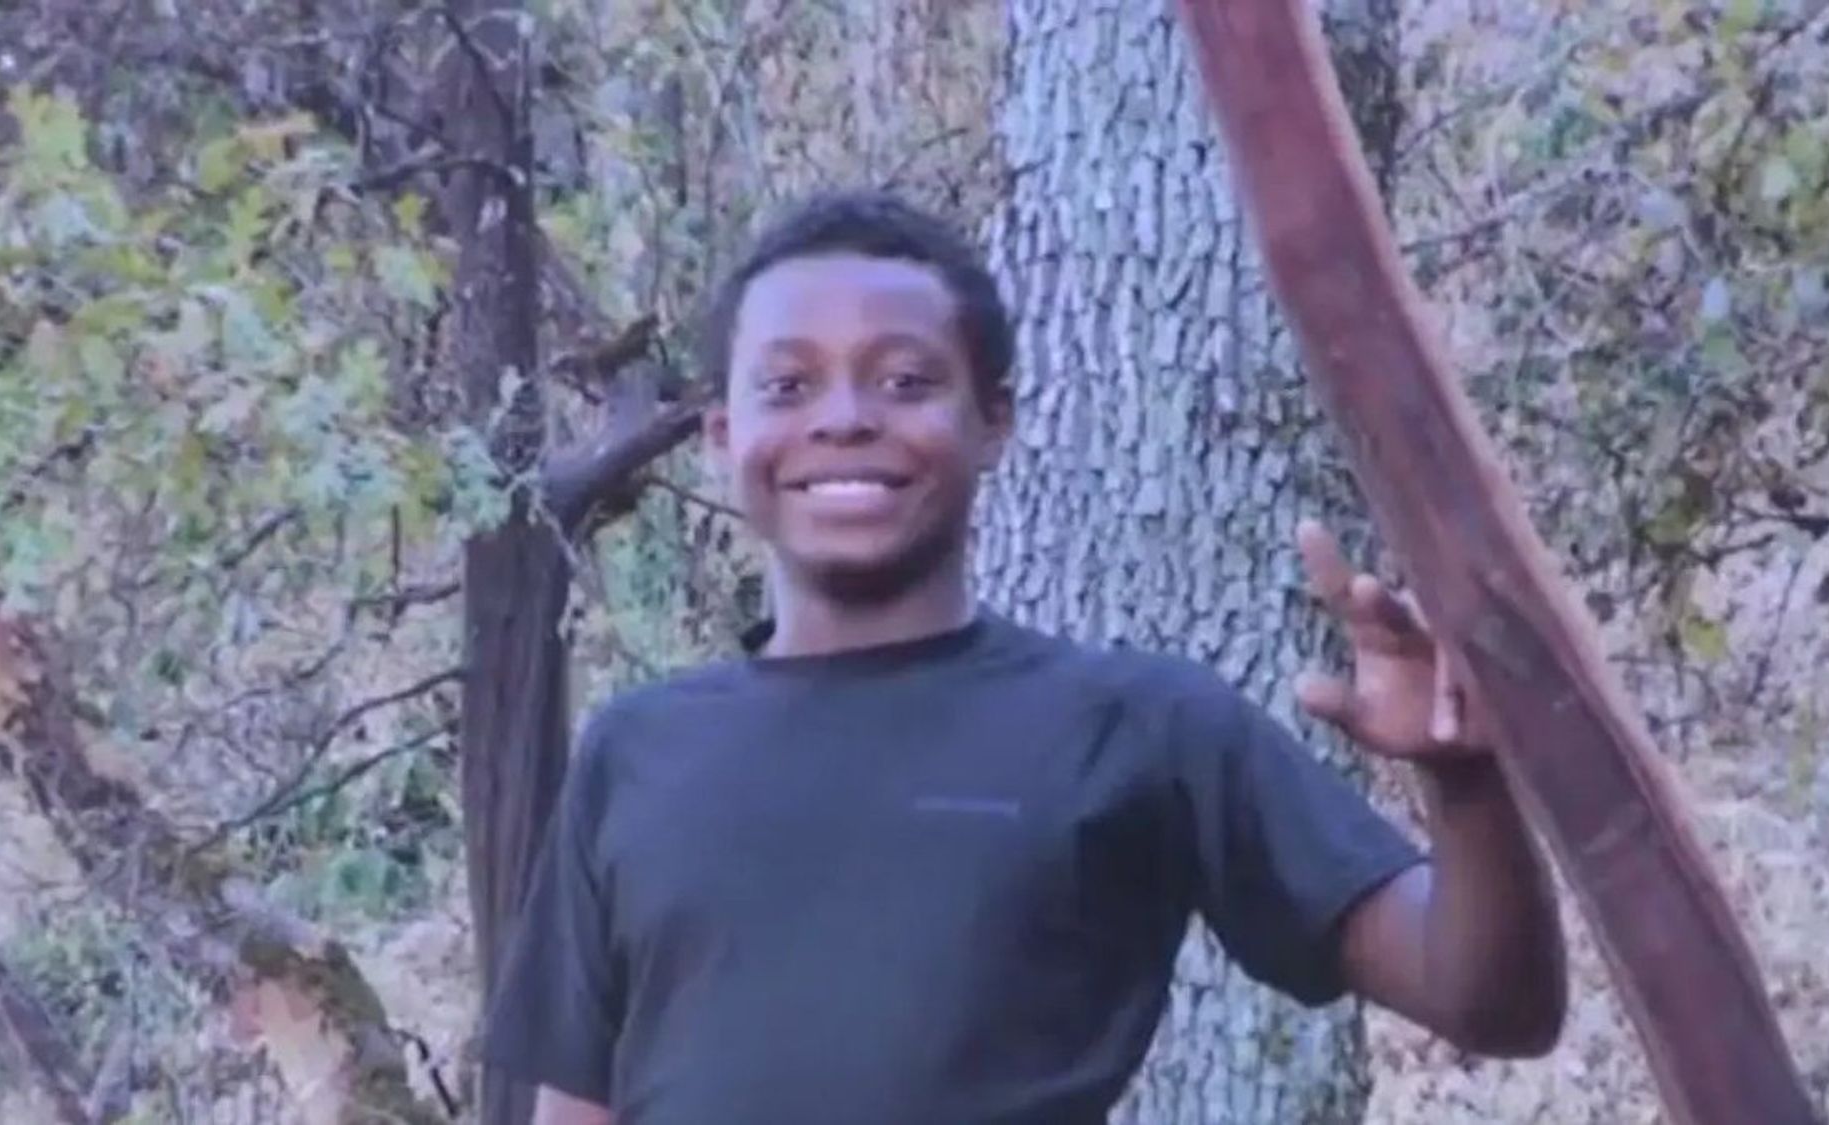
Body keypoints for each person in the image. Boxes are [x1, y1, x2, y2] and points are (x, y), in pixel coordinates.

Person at [481, 191, 1567, 1125]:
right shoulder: (638, 753)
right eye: (789, 386)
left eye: (905, 381)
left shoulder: (1135, 728)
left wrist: (1462, 775)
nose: (846, 420)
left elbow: (1492, 1005)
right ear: (722, 437)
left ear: (991, 422)